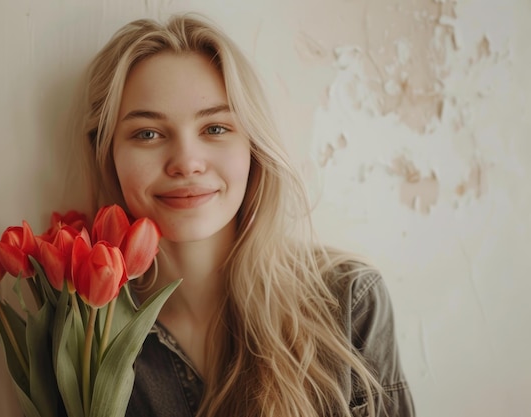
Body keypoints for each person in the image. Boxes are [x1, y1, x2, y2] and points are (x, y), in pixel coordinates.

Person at [75, 14, 415, 417]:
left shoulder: (349, 304)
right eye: (147, 133)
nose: (186, 162)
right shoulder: (81, 340)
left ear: (253, 146)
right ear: (108, 155)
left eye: (215, 128)